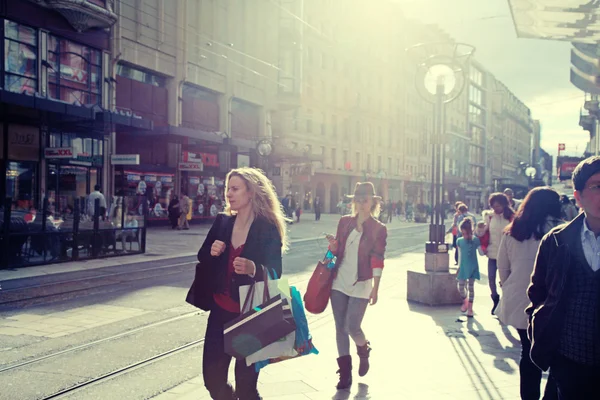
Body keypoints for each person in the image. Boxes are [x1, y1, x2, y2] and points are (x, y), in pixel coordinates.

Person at [196, 167, 287, 400]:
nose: (229, 194)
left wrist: (254, 268)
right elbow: (202, 255)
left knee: (246, 387)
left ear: (251, 193)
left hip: (250, 314)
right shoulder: (223, 223)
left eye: (235, 189)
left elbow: (276, 272)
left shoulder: (266, 228)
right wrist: (212, 251)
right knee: (212, 380)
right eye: (227, 188)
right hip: (219, 311)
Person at [527, 157, 600, 399]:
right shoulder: (556, 241)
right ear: (577, 197)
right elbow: (538, 294)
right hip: (569, 362)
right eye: (597, 186)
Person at [496, 187, 562, 400]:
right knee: (557, 356)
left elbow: (502, 267)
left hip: (519, 299)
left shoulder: (512, 231)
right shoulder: (562, 231)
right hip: (552, 302)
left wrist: (509, 287)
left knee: (528, 351)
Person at [325, 182, 387, 390]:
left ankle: (363, 348)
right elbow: (337, 251)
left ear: (373, 203)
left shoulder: (378, 229)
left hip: (362, 283)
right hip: (339, 282)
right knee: (339, 328)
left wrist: (375, 288)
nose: (361, 204)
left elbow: (377, 258)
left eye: (366, 200)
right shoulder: (344, 222)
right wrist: (332, 248)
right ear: (354, 202)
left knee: (352, 326)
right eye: (358, 200)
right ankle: (345, 374)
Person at [482, 192, 514, 315]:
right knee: (491, 279)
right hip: (493, 253)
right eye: (493, 206)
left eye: (498, 206)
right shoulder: (489, 217)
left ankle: (505, 303)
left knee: (505, 280)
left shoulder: (511, 217)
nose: (496, 208)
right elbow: (482, 233)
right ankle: (495, 300)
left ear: (504, 205)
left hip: (508, 255)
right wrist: (480, 229)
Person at [456, 217, 480, 318]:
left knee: (471, 288)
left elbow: (481, 253)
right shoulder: (459, 241)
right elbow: (460, 255)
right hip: (463, 267)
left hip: (473, 267)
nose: (465, 236)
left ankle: (470, 308)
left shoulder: (475, 240)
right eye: (463, 233)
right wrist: (458, 267)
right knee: (461, 287)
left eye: (467, 233)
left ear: (471, 231)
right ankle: (465, 302)